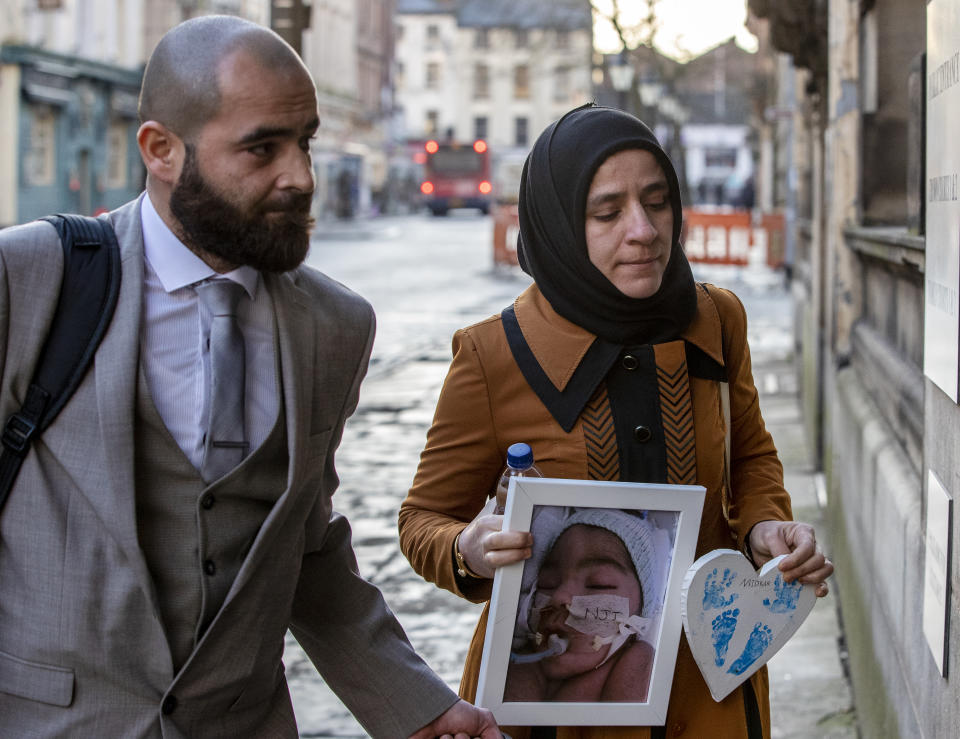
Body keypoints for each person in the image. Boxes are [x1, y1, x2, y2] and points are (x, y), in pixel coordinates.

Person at [0, 16, 498, 739]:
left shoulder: (335, 325)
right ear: (161, 149)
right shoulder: (31, 278)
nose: (299, 176)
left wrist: (417, 705)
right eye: (262, 148)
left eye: (305, 143)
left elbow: (305, 547)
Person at [399, 104, 834, 739]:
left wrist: (766, 526)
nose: (644, 230)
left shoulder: (718, 322)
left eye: (658, 203)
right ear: (556, 225)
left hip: (706, 688)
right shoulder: (493, 355)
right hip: (549, 705)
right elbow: (421, 522)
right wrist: (467, 550)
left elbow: (750, 458)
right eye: (607, 213)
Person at [504, 508, 668, 704]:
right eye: (548, 583)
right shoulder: (523, 668)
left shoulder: (637, 661)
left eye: (598, 584)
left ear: (638, 618)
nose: (559, 597)